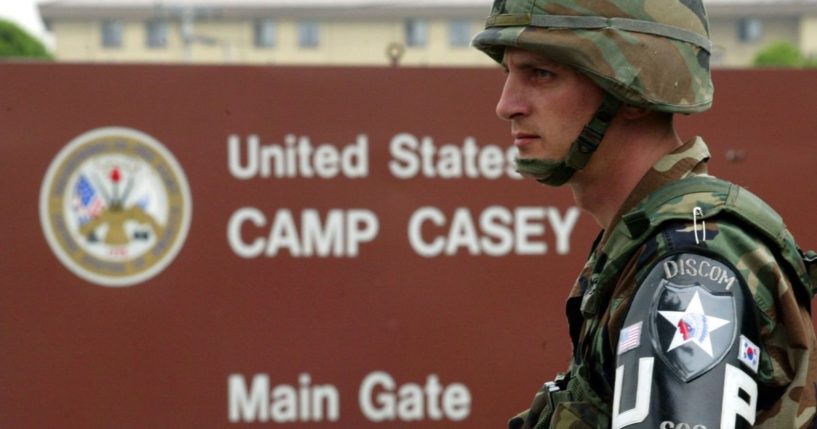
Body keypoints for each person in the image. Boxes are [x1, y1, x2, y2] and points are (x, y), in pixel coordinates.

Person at [471, 0, 817, 428]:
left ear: (631, 91)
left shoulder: (690, 269)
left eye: (541, 74)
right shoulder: (645, 240)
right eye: (509, 74)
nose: (507, 105)